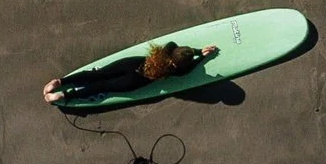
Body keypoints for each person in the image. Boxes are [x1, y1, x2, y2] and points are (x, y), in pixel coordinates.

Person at [42, 41, 216, 105]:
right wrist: (202, 56)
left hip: (131, 64)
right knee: (103, 86)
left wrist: (198, 49)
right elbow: (192, 65)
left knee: (98, 74)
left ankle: (60, 82)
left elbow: (183, 50)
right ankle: (64, 95)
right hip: (133, 82)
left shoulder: (168, 47)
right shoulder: (179, 71)